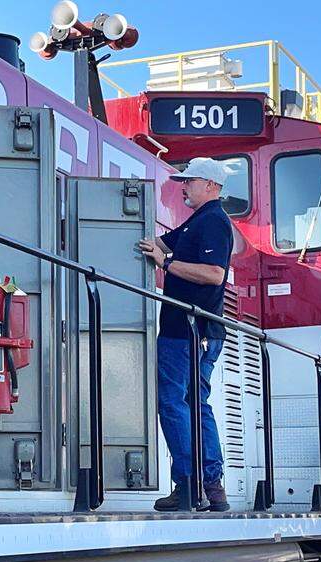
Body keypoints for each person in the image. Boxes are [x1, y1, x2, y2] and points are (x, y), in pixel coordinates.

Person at [137, 157, 233, 512]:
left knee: (173, 403)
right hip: (199, 330)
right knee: (196, 404)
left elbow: (213, 274)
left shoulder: (213, 222)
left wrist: (167, 264)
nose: (183, 187)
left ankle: (189, 485)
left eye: (189, 181)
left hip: (189, 330)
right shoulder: (197, 222)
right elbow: (161, 243)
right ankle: (212, 486)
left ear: (210, 185)